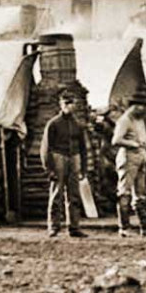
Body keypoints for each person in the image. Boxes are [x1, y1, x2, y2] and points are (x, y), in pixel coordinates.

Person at [40, 90, 88, 238]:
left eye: (71, 103)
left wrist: (83, 168)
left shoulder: (77, 125)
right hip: (58, 158)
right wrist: (49, 168)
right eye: (65, 103)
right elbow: (45, 148)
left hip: (74, 158)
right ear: (60, 104)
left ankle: (74, 227)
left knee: (74, 195)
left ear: (75, 105)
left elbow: (83, 147)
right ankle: (53, 227)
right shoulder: (53, 124)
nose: (68, 105)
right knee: (56, 194)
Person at [112, 88, 146, 237]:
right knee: (124, 193)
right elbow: (116, 140)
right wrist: (133, 144)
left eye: (143, 106)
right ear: (133, 106)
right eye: (139, 105)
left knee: (140, 194)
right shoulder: (125, 120)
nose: (142, 108)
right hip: (128, 158)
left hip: (141, 159)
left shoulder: (139, 119)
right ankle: (124, 228)